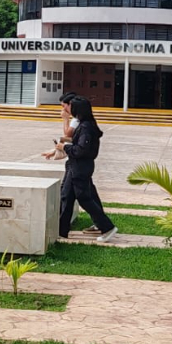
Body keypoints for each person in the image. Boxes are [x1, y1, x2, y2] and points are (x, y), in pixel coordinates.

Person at [56, 96, 117, 242]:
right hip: (74, 166)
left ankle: (107, 227)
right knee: (66, 197)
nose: (67, 109)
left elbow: (81, 150)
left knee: (84, 198)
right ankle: (61, 231)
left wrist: (65, 147)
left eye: (71, 106)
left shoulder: (86, 127)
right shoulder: (84, 125)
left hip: (81, 167)